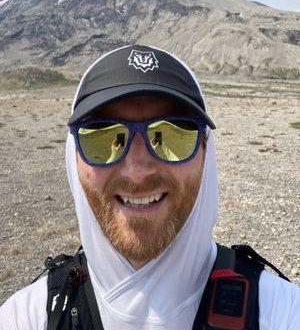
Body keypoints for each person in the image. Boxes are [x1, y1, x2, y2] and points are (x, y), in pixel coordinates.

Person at [0, 45, 299, 330]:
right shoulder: (28, 317)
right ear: (73, 157)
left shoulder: (279, 312)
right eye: (103, 138)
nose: (138, 172)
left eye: (171, 135)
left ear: (206, 154)